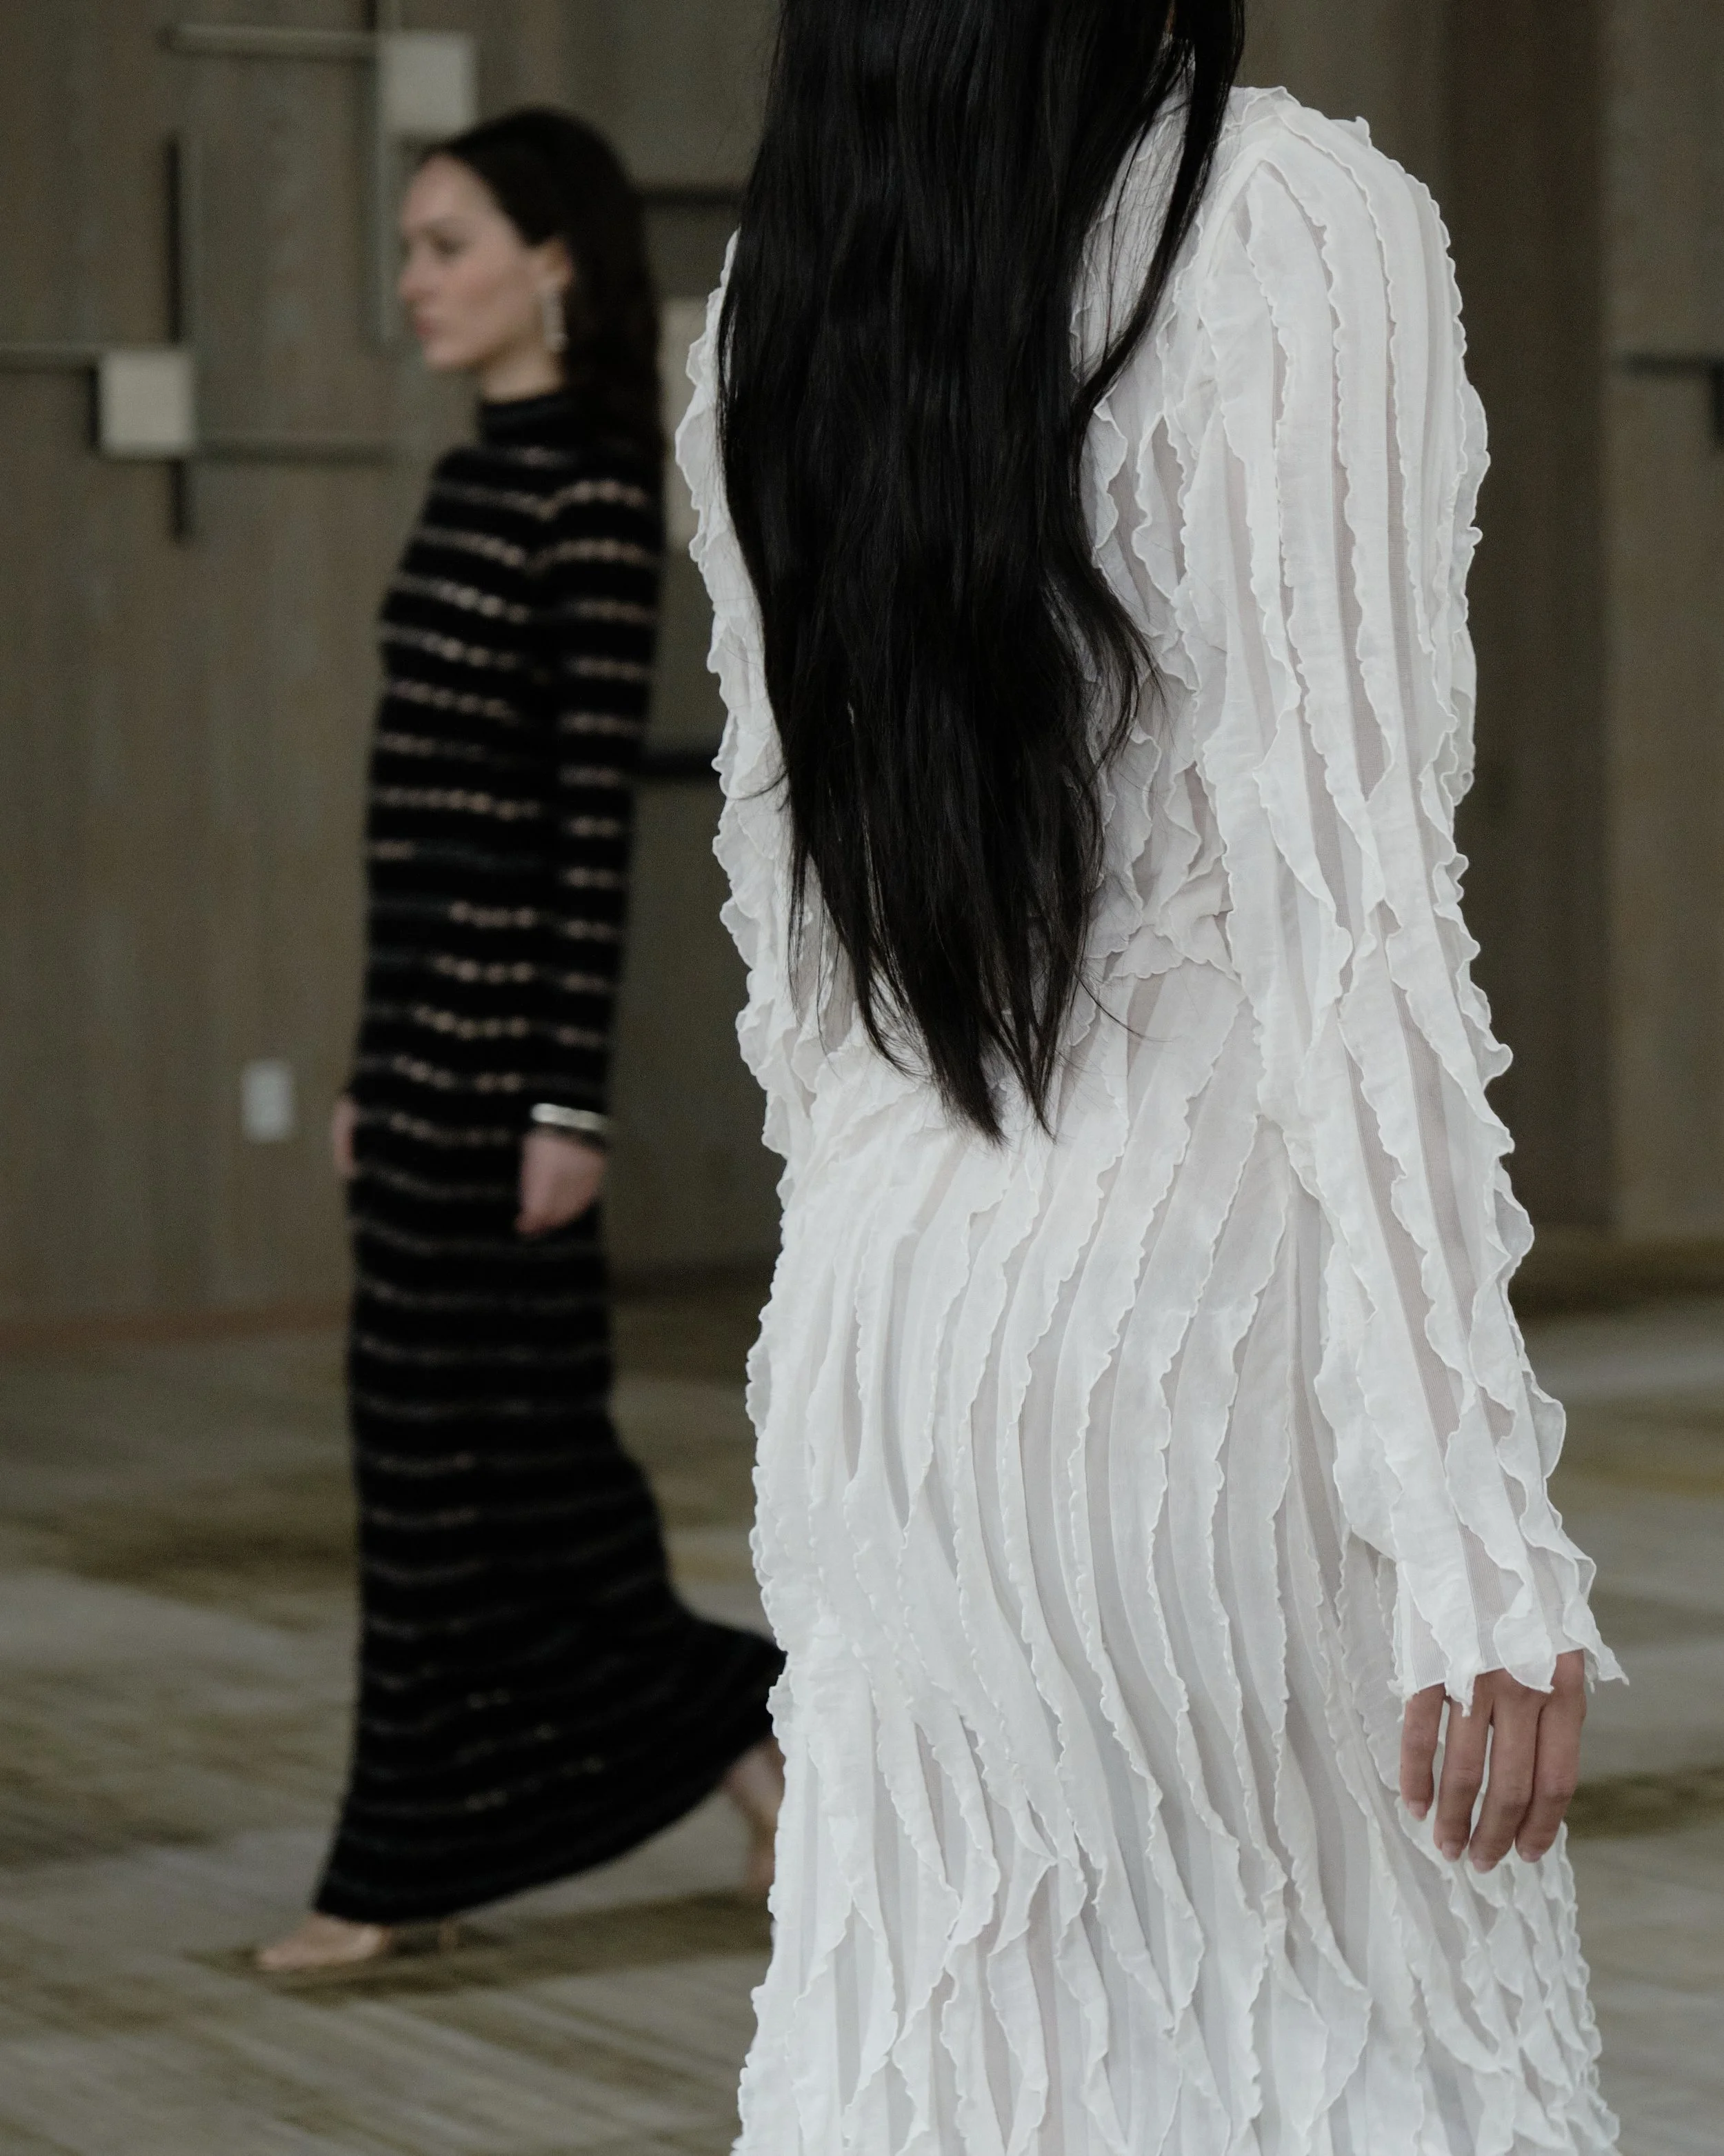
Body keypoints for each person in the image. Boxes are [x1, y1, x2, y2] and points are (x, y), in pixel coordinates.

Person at [678, 3, 1624, 2148]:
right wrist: (1472, 1513)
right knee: (1352, 2062)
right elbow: (1355, 918)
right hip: (1209, 1354)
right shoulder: (1286, 221)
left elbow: (794, 944)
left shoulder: (774, 293)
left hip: (888, 1346)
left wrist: (827, 1415)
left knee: (958, 2075)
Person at [259, 108, 784, 1976]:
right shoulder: (471, 482)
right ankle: (766, 1737)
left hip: (506, 1088)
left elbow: (575, 825)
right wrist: (363, 1061)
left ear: (554, 259)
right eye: (408, 247)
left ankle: (389, 1868)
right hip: (421, 1064)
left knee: (462, 1474)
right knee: (509, 1471)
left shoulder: (582, 490)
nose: (414, 281)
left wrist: (566, 1096)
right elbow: (417, 825)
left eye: (446, 244)